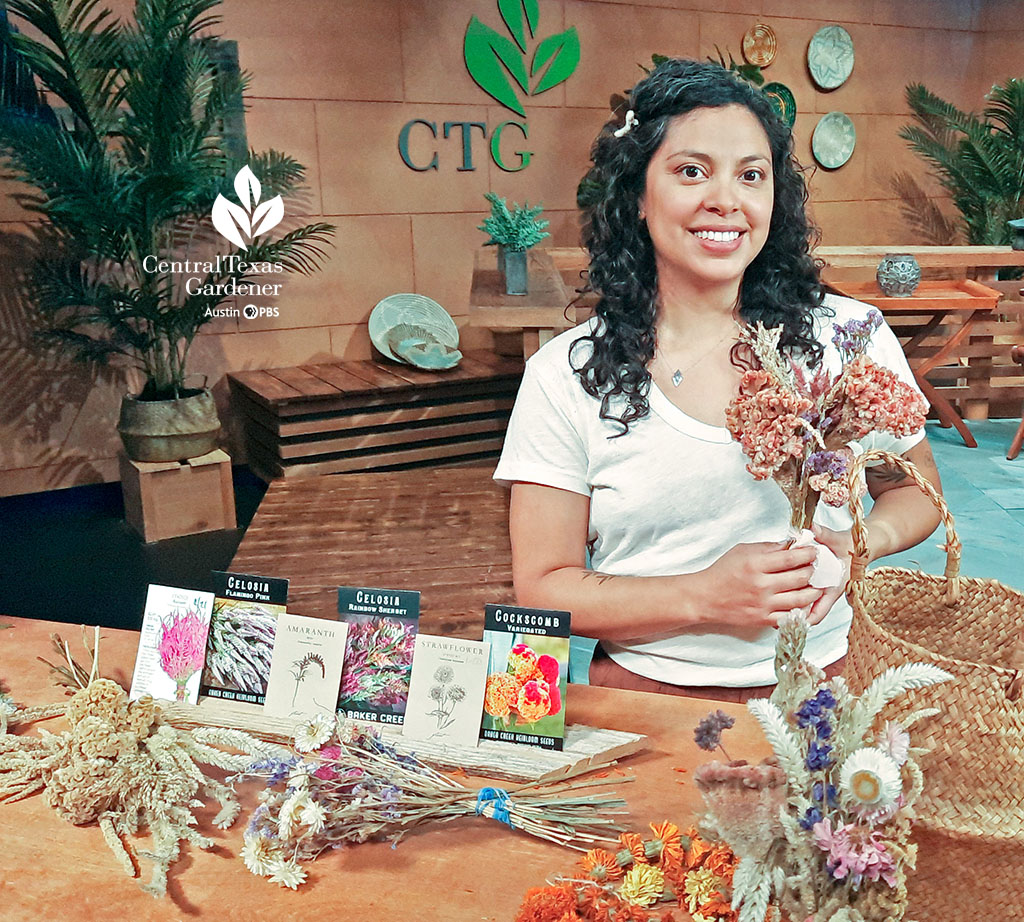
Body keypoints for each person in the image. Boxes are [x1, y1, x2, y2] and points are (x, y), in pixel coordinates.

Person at [492, 59, 943, 702]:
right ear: (638, 195)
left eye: (751, 175)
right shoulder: (564, 377)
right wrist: (704, 595)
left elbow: (916, 492)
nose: (725, 199)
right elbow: (544, 588)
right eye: (691, 171)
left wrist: (856, 544)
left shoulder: (847, 336)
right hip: (645, 696)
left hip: (824, 691)